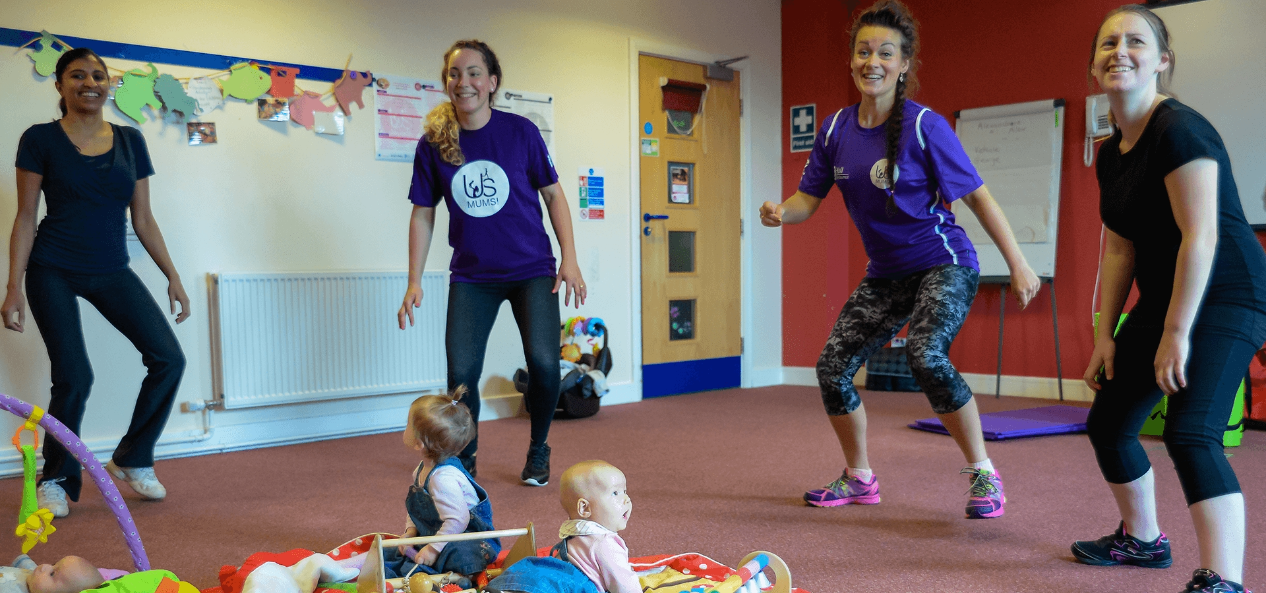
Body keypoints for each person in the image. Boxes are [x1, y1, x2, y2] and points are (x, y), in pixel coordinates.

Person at [759, 0, 1039, 519]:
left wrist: (1018, 262)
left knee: (927, 355)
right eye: (863, 51)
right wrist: (781, 211)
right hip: (887, 273)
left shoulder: (925, 126)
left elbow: (979, 197)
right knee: (833, 368)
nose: (873, 61)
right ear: (851, 61)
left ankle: (983, 473)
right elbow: (806, 200)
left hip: (944, 262)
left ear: (903, 64)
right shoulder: (835, 128)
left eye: (886, 53)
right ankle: (859, 478)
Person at [1072, 6, 1266, 592]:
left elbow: (1200, 238)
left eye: (1136, 41)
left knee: (1191, 432)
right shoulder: (1111, 152)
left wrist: (1175, 334)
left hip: (1229, 293)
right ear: (1093, 65)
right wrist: (1106, 335)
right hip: (1167, 294)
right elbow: (1118, 253)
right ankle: (1144, 540)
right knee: (1109, 424)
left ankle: (1223, 580)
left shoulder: (1180, 129)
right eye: (1108, 43)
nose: (1119, 51)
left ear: (1163, 60)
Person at [2, 48, 189, 517]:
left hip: (111, 268)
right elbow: (26, 217)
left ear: (108, 84)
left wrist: (173, 276)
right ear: (61, 85)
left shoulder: (130, 141)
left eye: (99, 75)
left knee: (168, 358)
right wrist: (13, 286)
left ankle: (132, 458)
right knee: (75, 376)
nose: (91, 82)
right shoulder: (40, 139)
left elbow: (143, 218)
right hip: (53, 268)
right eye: (78, 75)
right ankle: (57, 480)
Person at [397, 39, 585, 487]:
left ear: (492, 82)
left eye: (474, 73)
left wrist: (570, 260)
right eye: (455, 74)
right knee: (460, 375)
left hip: (532, 270)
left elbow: (554, 195)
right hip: (472, 276)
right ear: (447, 83)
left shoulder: (521, 132)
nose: (464, 82)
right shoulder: (434, 145)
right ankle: (468, 457)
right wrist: (414, 279)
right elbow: (423, 213)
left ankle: (539, 449)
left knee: (543, 363)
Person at [387, 387, 499, 579]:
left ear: (419, 443)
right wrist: (410, 532)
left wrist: (432, 549)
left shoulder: (442, 480)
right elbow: (417, 509)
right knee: (397, 549)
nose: (404, 427)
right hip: (442, 530)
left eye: (408, 424)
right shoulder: (422, 470)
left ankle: (460, 578)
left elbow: (459, 520)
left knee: (456, 554)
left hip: (470, 538)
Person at [485, 460, 636, 593]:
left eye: (624, 491)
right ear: (584, 508)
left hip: (549, 576)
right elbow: (626, 586)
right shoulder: (606, 543)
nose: (626, 500)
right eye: (615, 493)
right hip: (570, 585)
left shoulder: (575, 531)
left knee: (532, 574)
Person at [2, 554, 105, 593]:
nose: (45, 566)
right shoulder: (33, 576)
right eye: (53, 564)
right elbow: (24, 562)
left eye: (52, 574)